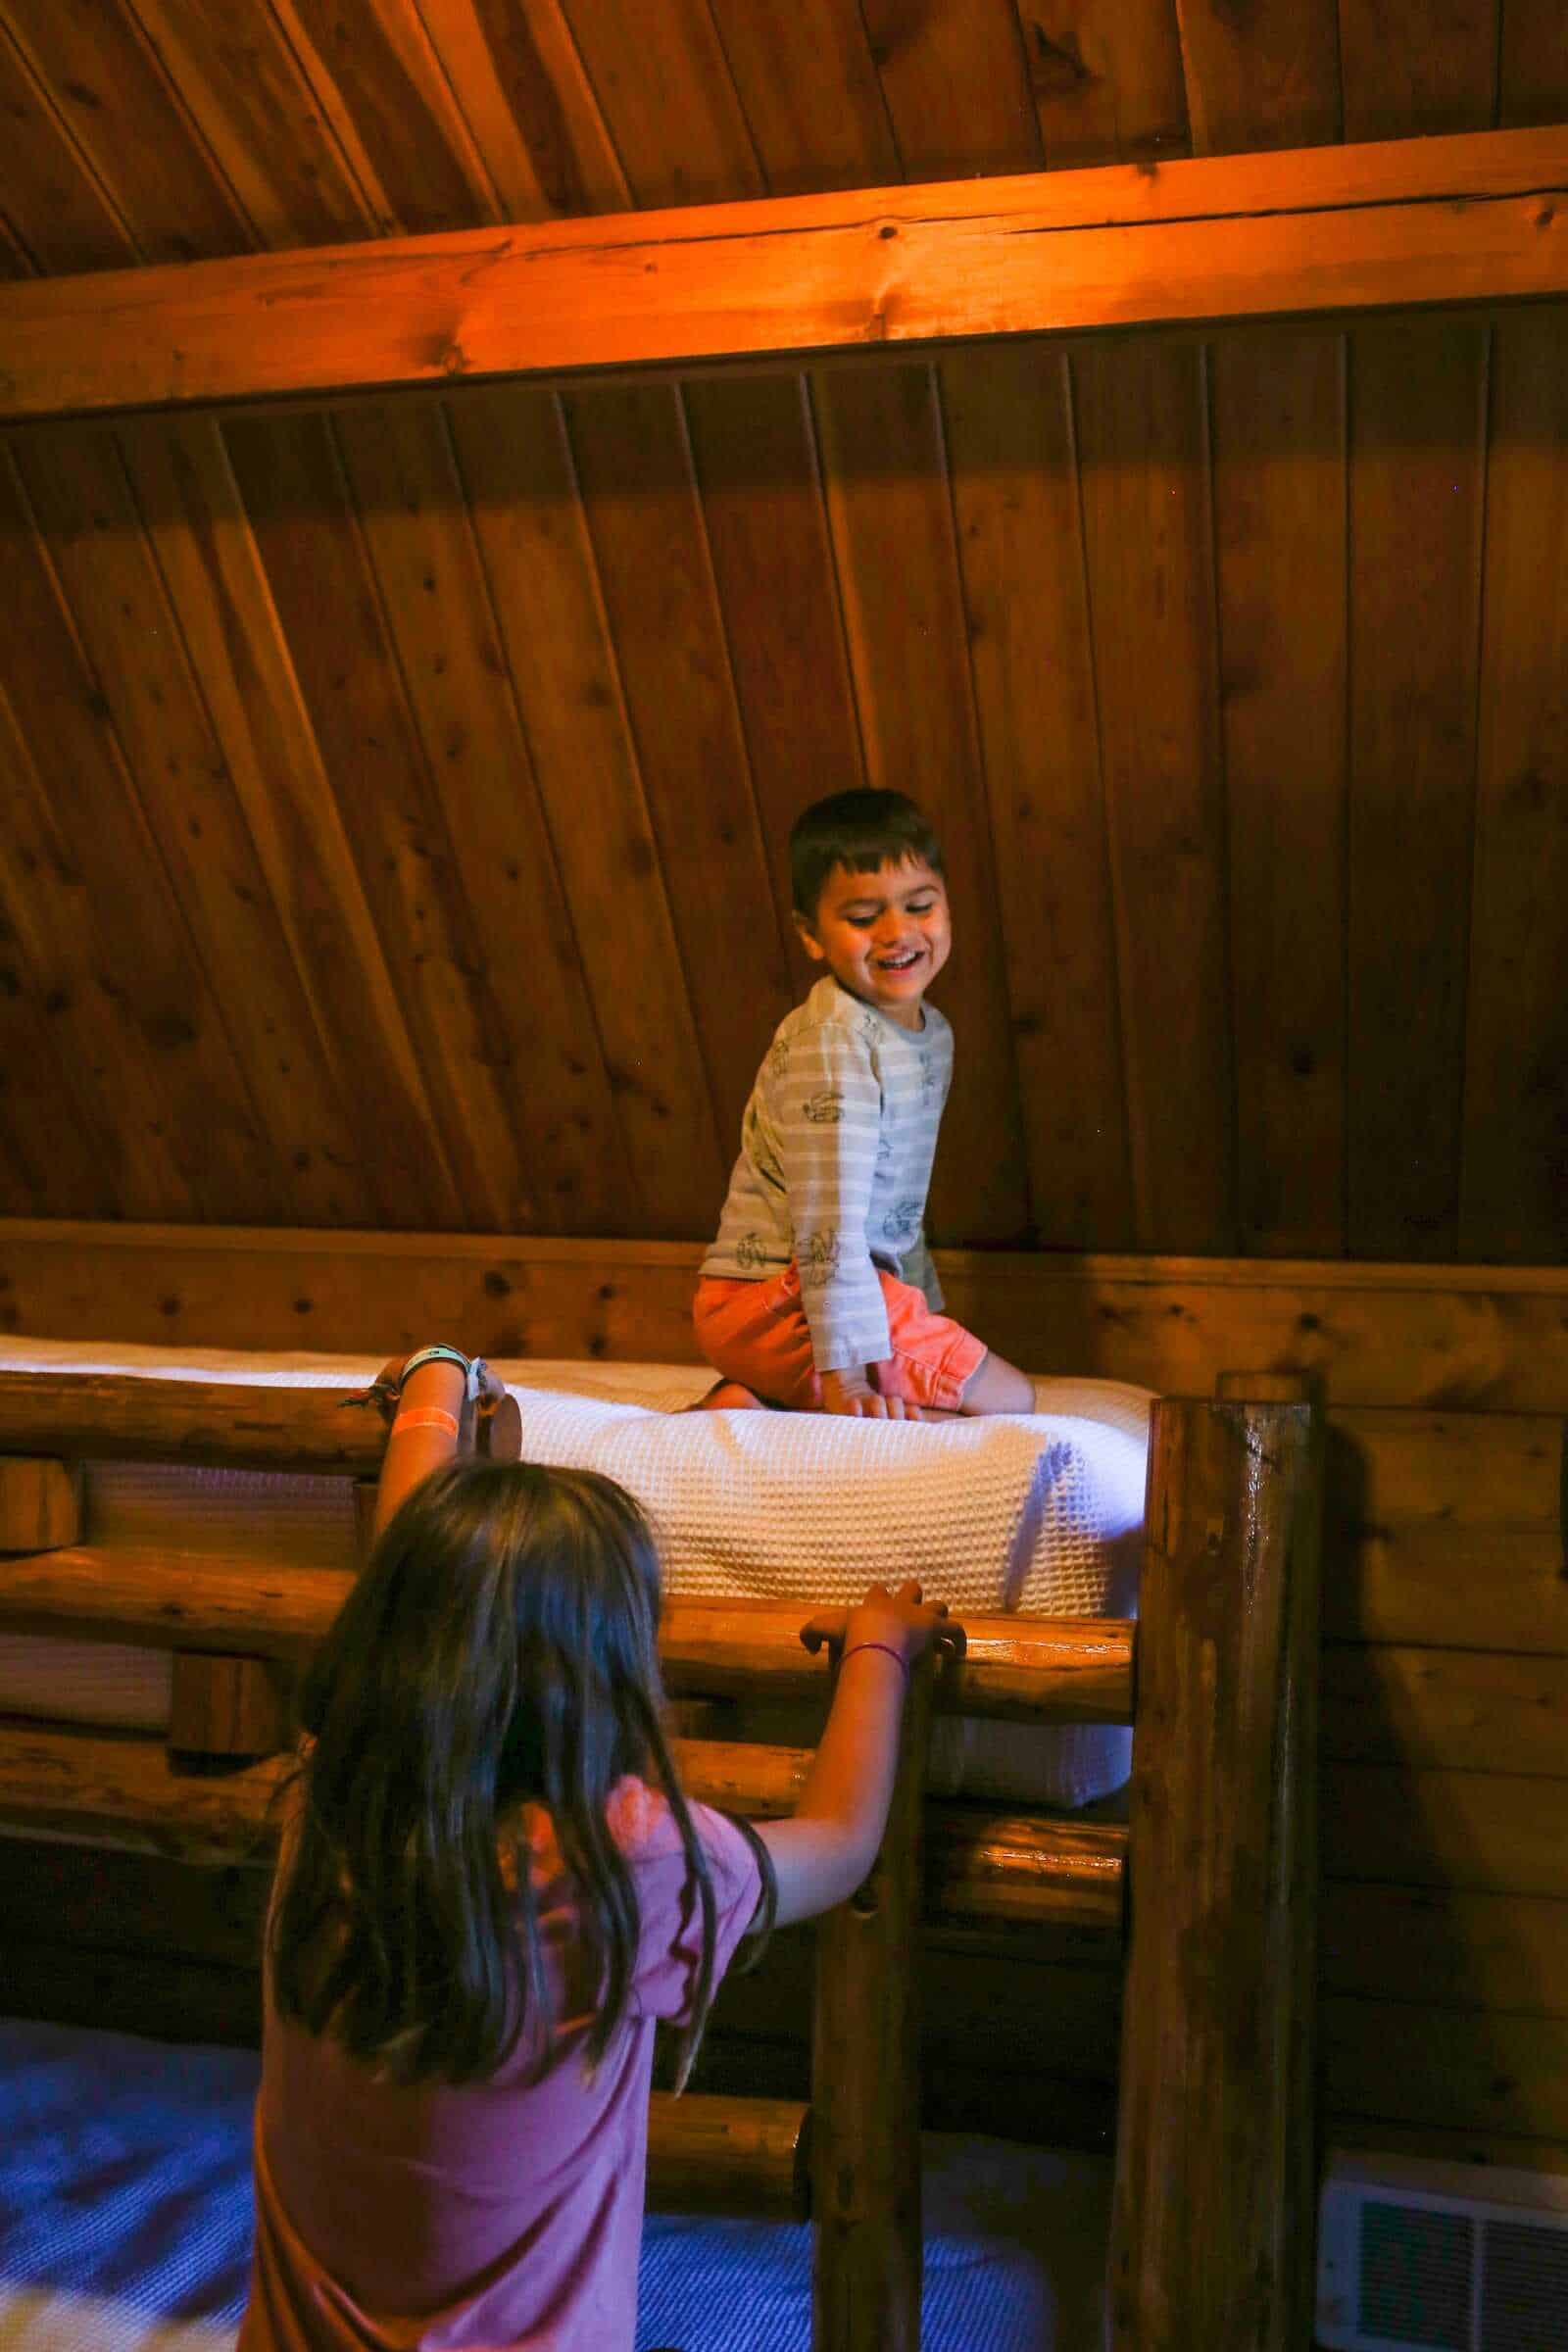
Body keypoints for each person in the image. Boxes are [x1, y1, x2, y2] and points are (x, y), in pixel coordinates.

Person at [237, 1344, 953, 2352]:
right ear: (607, 1666)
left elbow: (419, 1585)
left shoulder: (333, 1809)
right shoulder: (622, 1856)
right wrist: (881, 1649)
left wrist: (436, 1385)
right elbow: (837, 1846)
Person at [694, 787, 1036, 1419]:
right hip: (773, 1296)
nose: (898, 933)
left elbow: (900, 1217)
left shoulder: (929, 1033)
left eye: (920, 905)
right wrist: (847, 1383)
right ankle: (785, 1392)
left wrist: (925, 1321)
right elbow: (828, 1225)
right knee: (1008, 1402)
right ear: (811, 935)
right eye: (862, 918)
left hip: (838, 1290)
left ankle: (755, 1402)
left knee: (990, 1398)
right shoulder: (836, 1041)